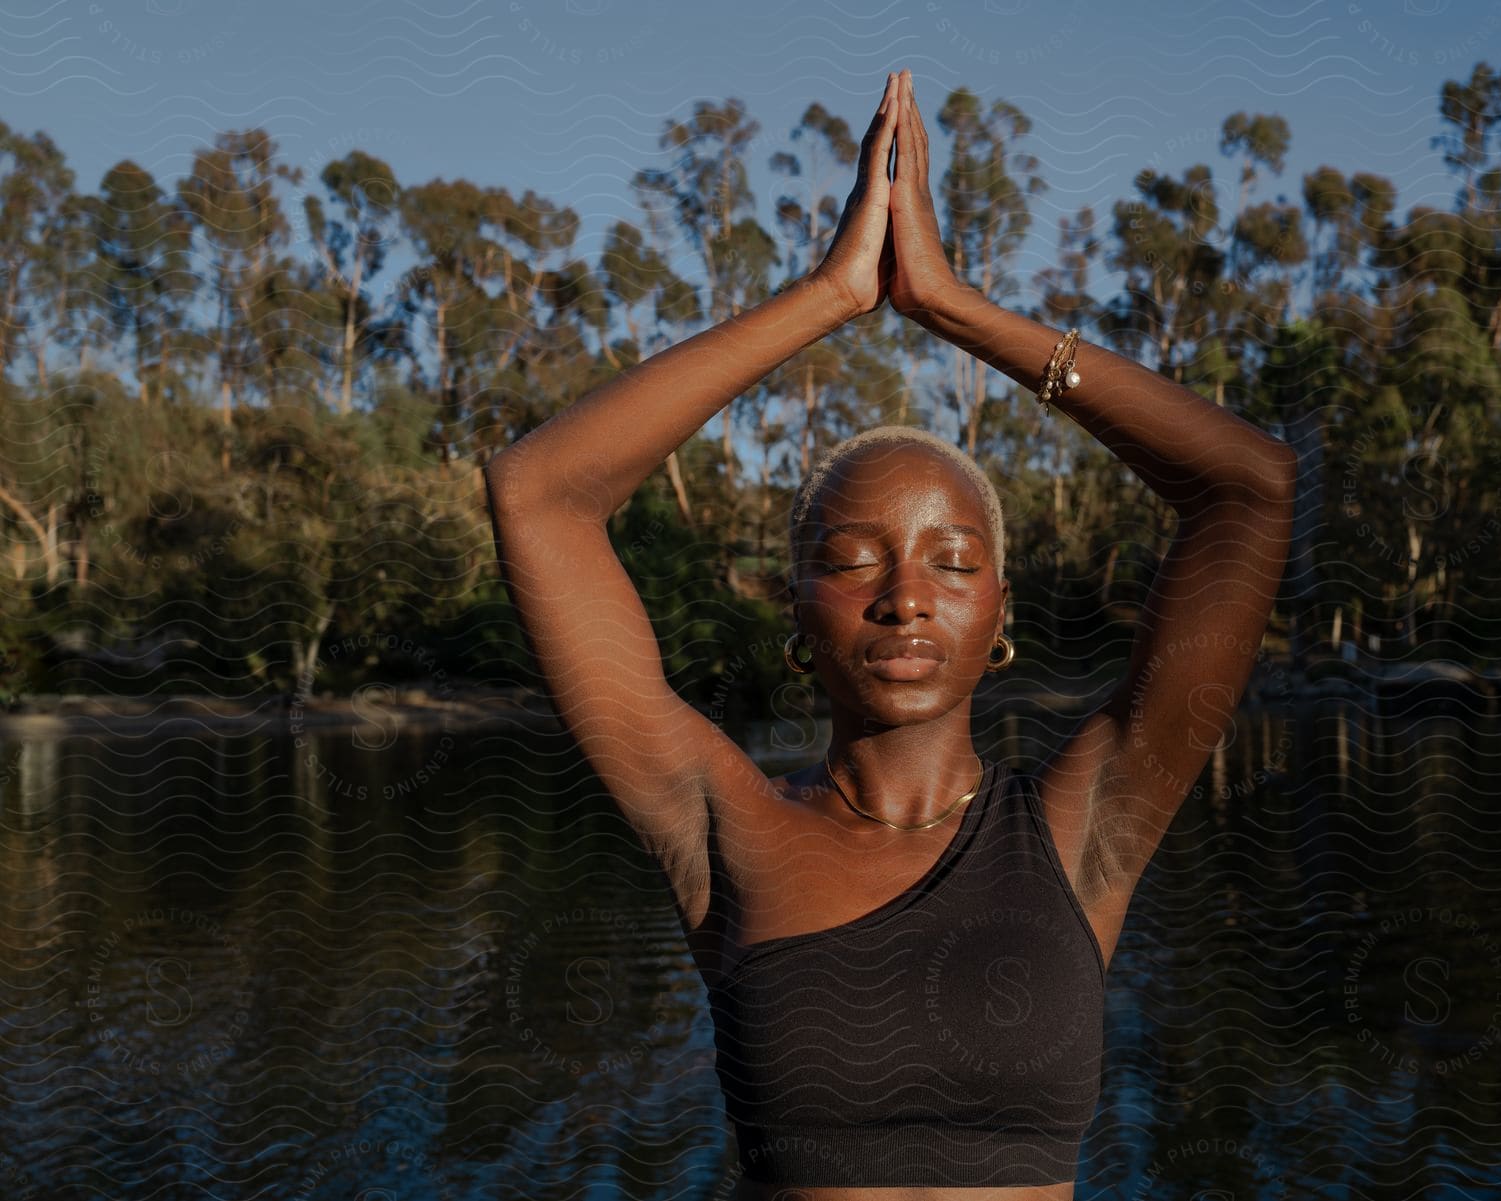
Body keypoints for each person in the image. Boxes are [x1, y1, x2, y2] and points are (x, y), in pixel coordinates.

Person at [484, 67, 1295, 1200]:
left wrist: (954, 305)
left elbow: (1248, 489)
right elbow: (539, 493)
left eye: (953, 563)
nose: (906, 594)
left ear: (998, 614)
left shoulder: (1086, 822)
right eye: (853, 558)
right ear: (796, 613)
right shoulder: (726, 822)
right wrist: (829, 293)